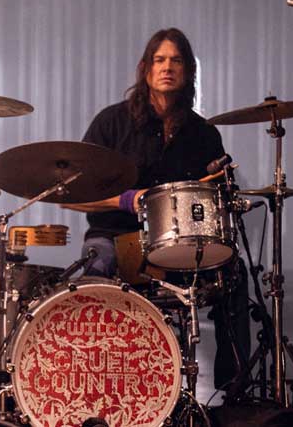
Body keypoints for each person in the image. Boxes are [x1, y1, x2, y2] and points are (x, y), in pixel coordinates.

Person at [63, 27, 250, 392]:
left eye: (176, 61)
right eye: (160, 60)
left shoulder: (203, 134)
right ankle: (91, 384)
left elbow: (215, 201)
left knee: (235, 272)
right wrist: (125, 200)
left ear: (188, 70)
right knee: (96, 269)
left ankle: (235, 391)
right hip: (116, 238)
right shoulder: (111, 123)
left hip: (178, 248)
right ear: (145, 68)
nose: (167, 68)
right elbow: (69, 195)